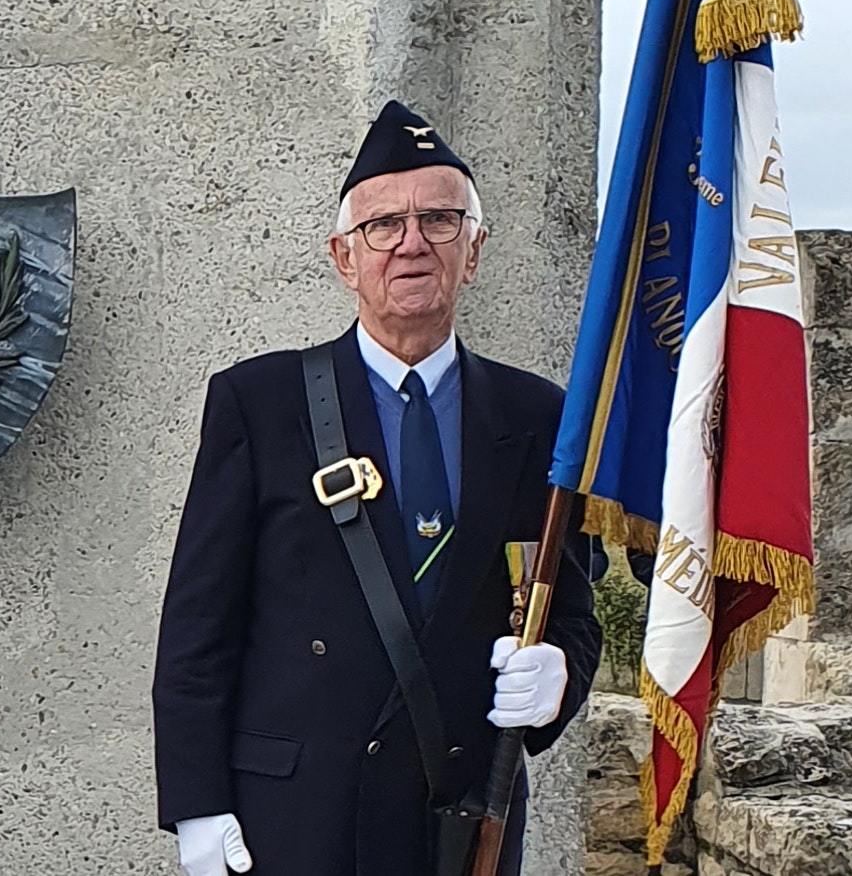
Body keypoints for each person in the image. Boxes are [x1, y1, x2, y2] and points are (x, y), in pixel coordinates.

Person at [151, 101, 601, 876]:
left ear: (476, 249)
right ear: (343, 257)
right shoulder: (260, 404)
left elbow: (570, 610)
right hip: (293, 818)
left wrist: (560, 672)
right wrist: (197, 801)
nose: (412, 244)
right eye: (383, 226)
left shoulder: (539, 417)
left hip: (458, 818)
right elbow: (198, 624)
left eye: (440, 219)